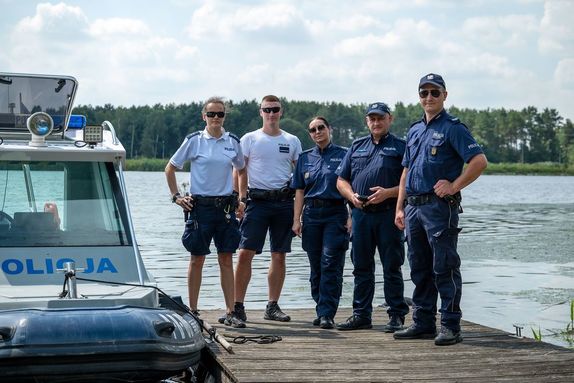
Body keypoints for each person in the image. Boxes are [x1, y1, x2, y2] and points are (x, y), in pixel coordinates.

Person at [393, 73, 488, 346]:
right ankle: (422, 322)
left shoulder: (453, 128)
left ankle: (450, 325)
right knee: (419, 267)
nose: (429, 97)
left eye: (435, 92)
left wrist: (455, 185)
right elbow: (406, 171)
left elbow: (479, 162)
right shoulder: (414, 130)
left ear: (445, 95)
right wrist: (399, 207)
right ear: (419, 96)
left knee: (443, 267)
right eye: (424, 92)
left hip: (438, 208)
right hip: (413, 208)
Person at [165, 96, 246, 328]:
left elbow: (241, 170)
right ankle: (192, 311)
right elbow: (170, 168)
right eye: (211, 114)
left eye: (220, 114)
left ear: (224, 117)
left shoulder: (232, 141)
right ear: (204, 117)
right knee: (197, 259)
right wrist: (176, 197)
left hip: (225, 209)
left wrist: (242, 198)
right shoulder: (194, 141)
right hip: (199, 208)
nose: (216, 118)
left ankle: (231, 312)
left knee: (226, 259)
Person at [335, 102, 409, 331]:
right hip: (361, 215)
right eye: (372, 119)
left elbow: (410, 183)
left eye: (380, 118)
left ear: (390, 119)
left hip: (388, 215)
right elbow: (341, 180)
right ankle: (361, 315)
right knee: (361, 267)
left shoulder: (401, 147)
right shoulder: (356, 146)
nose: (376, 123)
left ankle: (396, 315)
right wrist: (352, 197)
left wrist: (388, 193)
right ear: (367, 121)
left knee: (392, 267)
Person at [234, 95, 302, 323]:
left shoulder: (292, 140)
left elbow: (300, 175)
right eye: (267, 109)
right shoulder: (250, 139)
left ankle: (272, 306)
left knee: (279, 255)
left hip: (284, 203)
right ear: (260, 112)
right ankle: (237, 306)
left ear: (281, 111)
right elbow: (238, 171)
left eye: (275, 109)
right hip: (257, 202)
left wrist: (299, 212)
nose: (271, 114)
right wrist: (238, 199)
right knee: (244, 254)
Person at [291, 116, 350, 329]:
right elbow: (299, 190)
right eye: (313, 130)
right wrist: (296, 219)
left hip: (335, 213)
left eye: (321, 127)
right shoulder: (304, 158)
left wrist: (351, 216)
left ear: (329, 129)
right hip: (311, 215)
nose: (317, 132)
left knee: (330, 263)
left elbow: (350, 186)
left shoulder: (344, 155)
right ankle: (321, 306)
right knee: (316, 266)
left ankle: (327, 312)